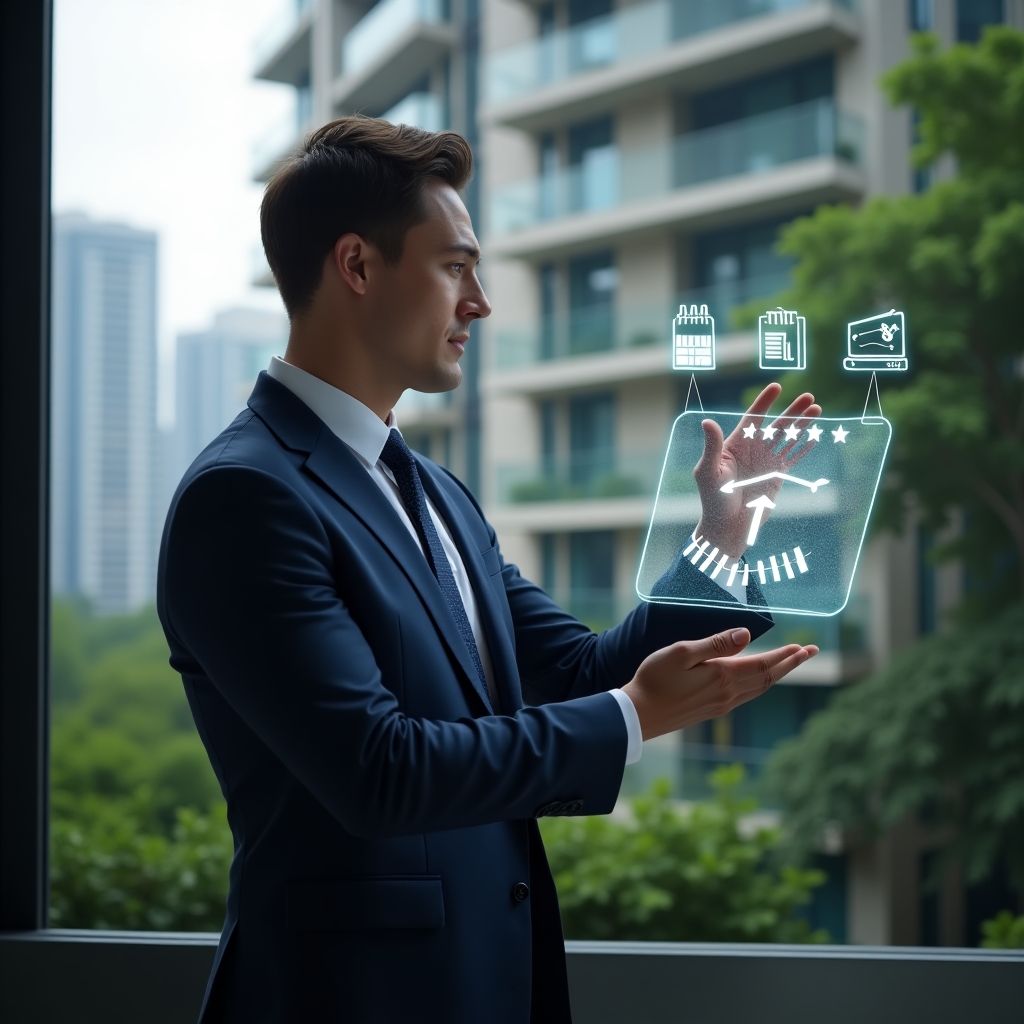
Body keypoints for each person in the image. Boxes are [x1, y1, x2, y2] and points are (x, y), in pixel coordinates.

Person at [157, 117, 818, 1024]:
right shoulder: (244, 498)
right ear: (356, 266)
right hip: (343, 1003)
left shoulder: (439, 495)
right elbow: (379, 771)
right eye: (455, 266)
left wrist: (720, 538)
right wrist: (632, 719)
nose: (482, 301)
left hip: (492, 984)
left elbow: (579, 671)